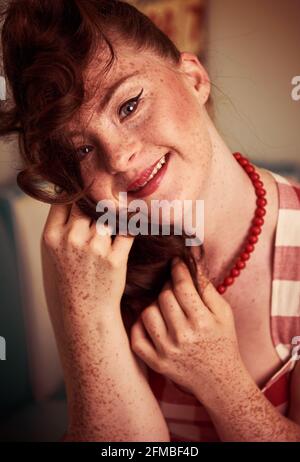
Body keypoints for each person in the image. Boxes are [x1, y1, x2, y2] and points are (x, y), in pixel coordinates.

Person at [0, 0, 299, 442]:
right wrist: (90, 311)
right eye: (83, 149)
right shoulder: (85, 257)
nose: (119, 158)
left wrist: (223, 384)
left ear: (194, 79)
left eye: (129, 106)